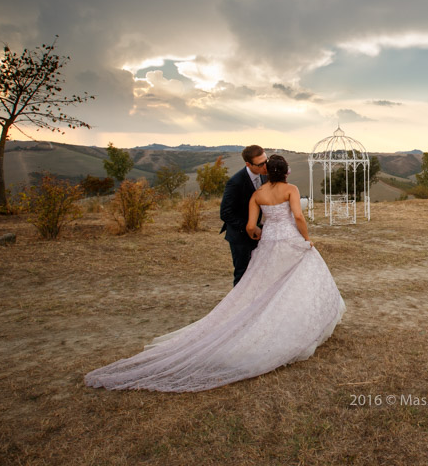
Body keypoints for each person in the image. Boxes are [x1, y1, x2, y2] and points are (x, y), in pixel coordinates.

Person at [84, 154, 346, 392]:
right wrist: (306, 238)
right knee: (297, 280)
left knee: (263, 286)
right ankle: (296, 324)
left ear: (269, 171)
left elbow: (252, 226)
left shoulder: (258, 195)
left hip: (269, 242)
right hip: (290, 239)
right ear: (286, 172)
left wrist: (259, 234)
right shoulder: (291, 189)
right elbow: (298, 217)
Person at [220, 145, 267, 286]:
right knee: (242, 274)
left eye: (266, 161)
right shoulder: (235, 182)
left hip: (259, 234)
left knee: (258, 272)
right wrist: (249, 227)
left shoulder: (265, 174)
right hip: (239, 237)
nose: (265, 166)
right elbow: (225, 213)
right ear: (248, 164)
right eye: (260, 164)